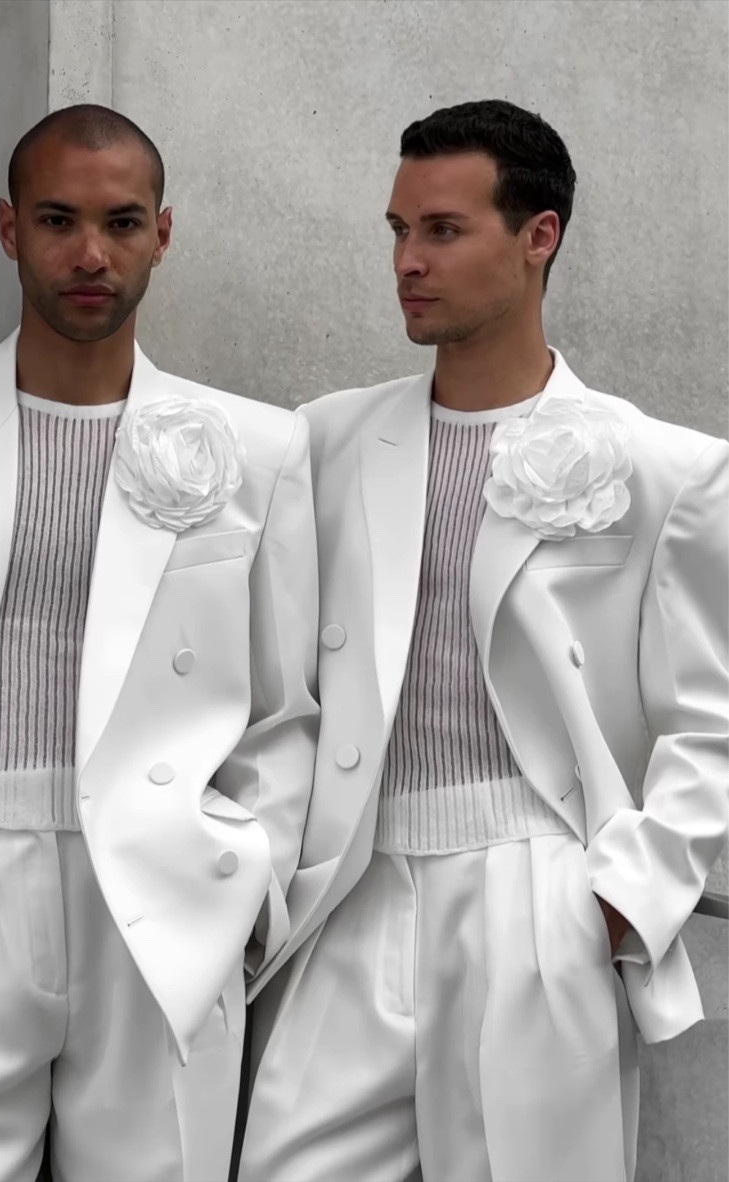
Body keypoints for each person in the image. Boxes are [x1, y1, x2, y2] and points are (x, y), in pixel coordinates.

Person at [0, 103, 319, 1182]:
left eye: (122, 223)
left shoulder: (256, 447)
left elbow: (282, 706)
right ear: (5, 227)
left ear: (162, 234)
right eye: (57, 219)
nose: (90, 254)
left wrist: (247, 893)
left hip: (165, 899)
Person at [238, 99, 728, 1182]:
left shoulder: (667, 471)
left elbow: (713, 727)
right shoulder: (322, 441)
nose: (408, 261)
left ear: (538, 237)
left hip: (538, 896)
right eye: (398, 231)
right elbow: (274, 687)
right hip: (352, 892)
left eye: (444, 231)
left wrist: (618, 902)